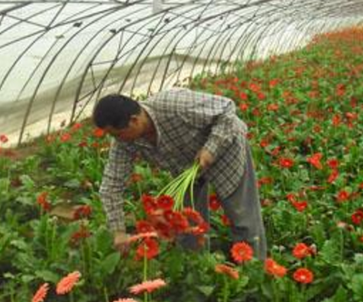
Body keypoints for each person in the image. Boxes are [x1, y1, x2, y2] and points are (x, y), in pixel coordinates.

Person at [93, 87, 267, 260]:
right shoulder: (124, 142)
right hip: (186, 166)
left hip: (225, 148)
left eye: (118, 134)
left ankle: (254, 270)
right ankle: (196, 266)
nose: (116, 139)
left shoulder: (174, 105)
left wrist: (210, 149)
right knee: (186, 223)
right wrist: (118, 231)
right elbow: (111, 186)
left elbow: (227, 110)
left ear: (134, 120)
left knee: (242, 215)